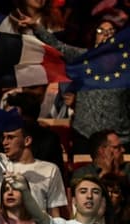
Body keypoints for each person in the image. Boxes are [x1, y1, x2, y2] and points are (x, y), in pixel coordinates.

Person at [15, 15, 130, 148]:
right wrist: (36, 27)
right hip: (85, 135)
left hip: (120, 139)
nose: (105, 35)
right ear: (94, 37)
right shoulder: (84, 59)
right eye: (100, 31)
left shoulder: (126, 66)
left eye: (110, 32)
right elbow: (59, 47)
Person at [0, 122, 68, 217]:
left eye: (10, 137)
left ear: (27, 140)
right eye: (3, 138)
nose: (4, 142)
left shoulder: (50, 170)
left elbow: (54, 212)